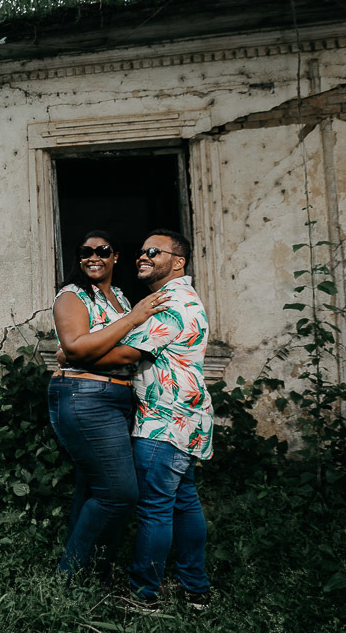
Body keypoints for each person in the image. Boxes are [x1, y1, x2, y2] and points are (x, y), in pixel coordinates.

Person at [82, 229, 213, 609]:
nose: (143, 256)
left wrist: (74, 355)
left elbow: (125, 355)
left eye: (153, 252)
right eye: (141, 251)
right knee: (183, 502)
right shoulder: (183, 297)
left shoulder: (169, 303)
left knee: (155, 507)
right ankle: (196, 589)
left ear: (178, 261)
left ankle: (144, 594)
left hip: (163, 419)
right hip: (186, 418)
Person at [48, 230, 171, 583]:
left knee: (93, 487)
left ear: (116, 255)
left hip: (118, 397)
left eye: (102, 250)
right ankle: (67, 578)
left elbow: (89, 349)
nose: (93, 257)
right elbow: (78, 349)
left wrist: (83, 351)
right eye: (85, 251)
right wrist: (131, 322)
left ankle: (96, 571)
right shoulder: (71, 296)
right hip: (84, 396)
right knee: (119, 493)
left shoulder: (118, 296)